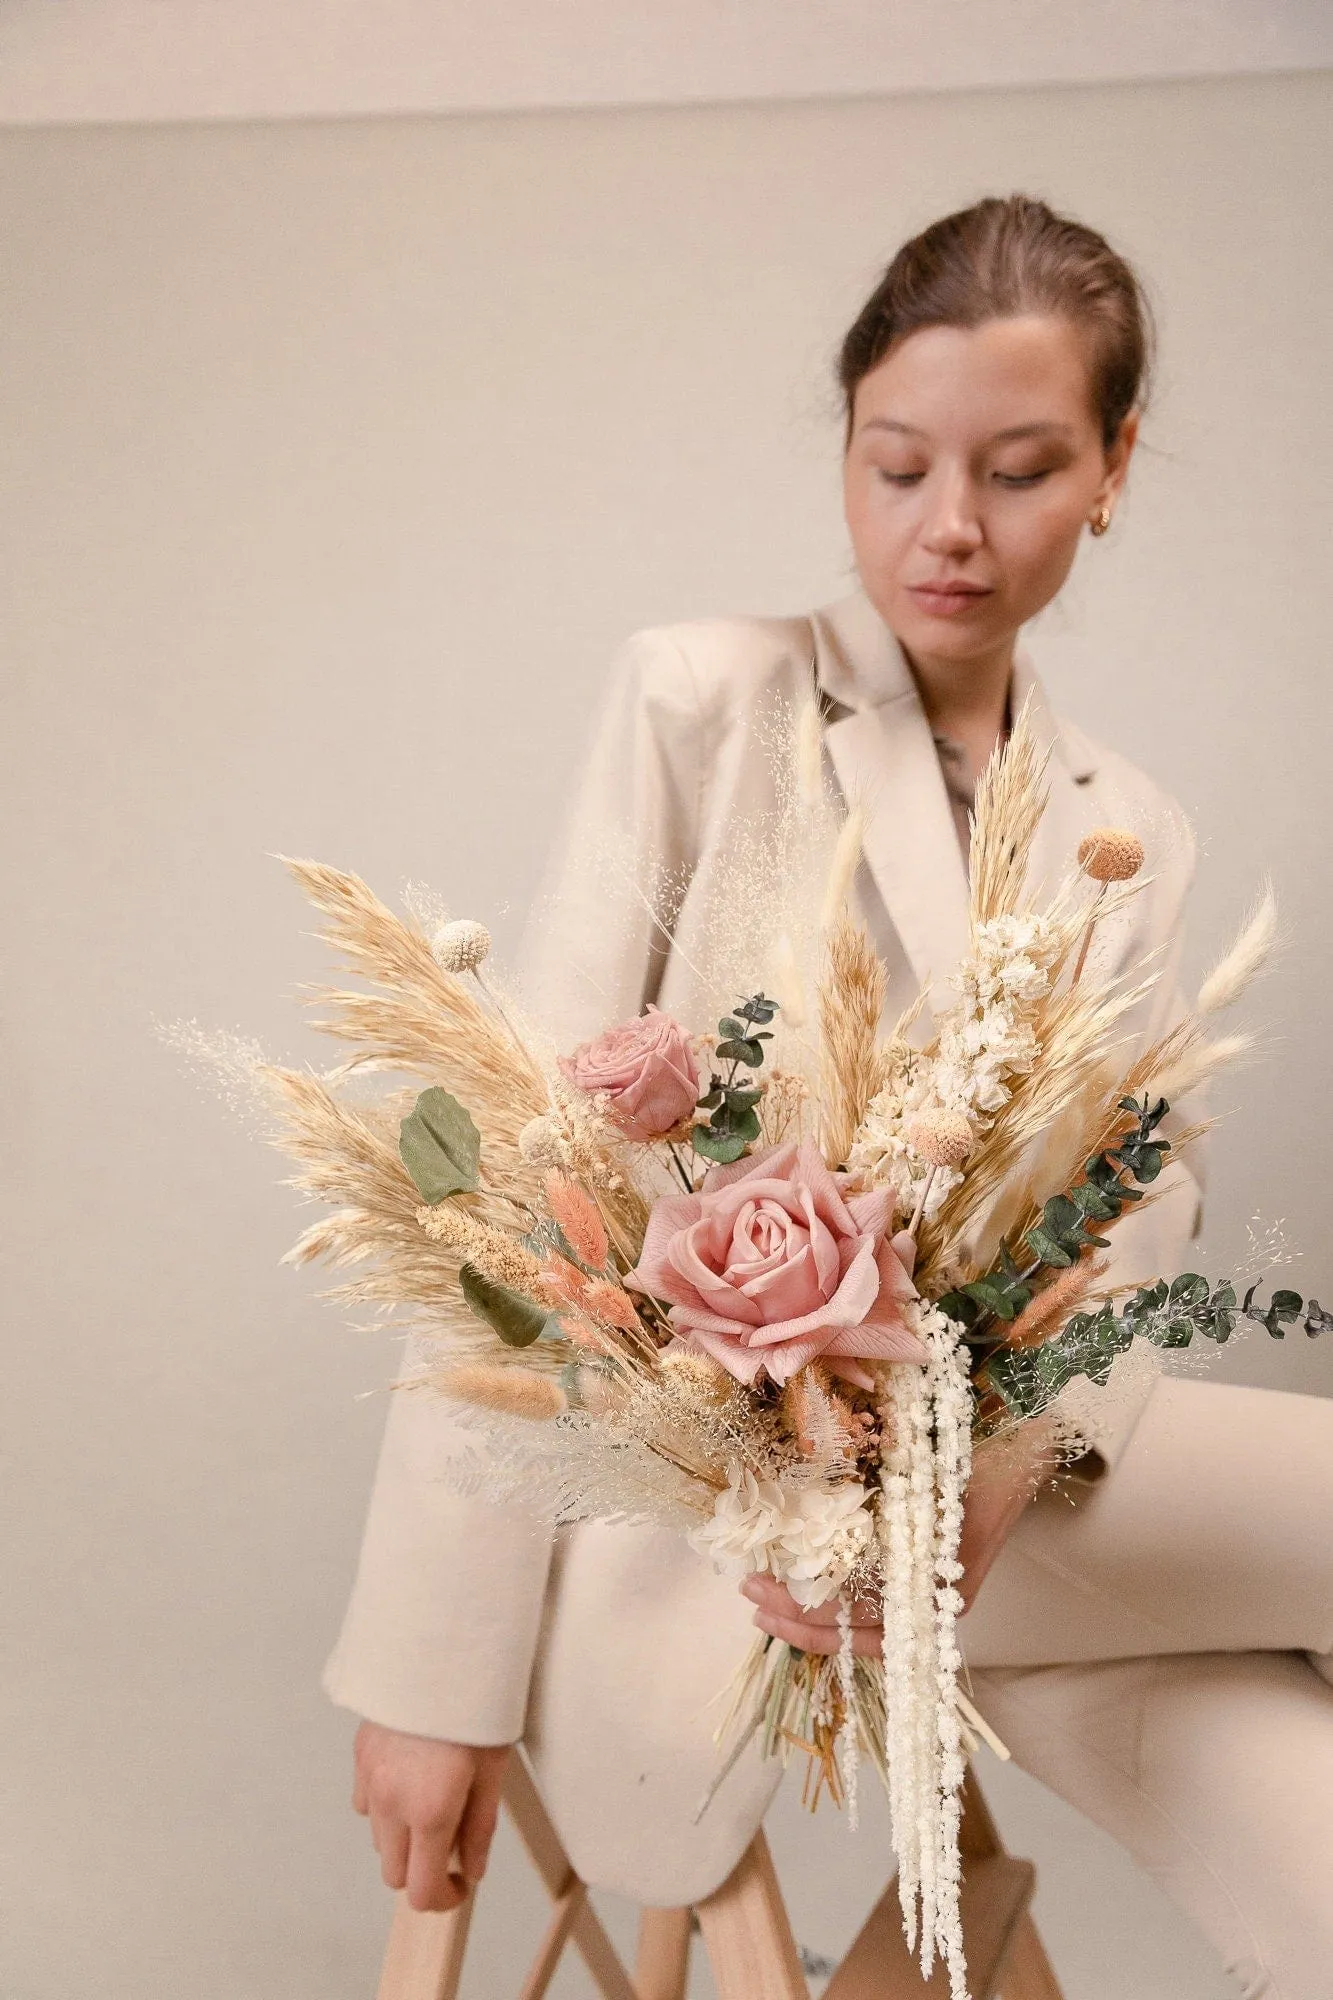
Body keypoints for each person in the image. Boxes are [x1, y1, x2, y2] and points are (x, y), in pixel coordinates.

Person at [330, 195, 1333, 1998]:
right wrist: (427, 1674)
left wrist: (1002, 1472)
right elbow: (515, 1192)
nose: (949, 527)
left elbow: (1138, 1222)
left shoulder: (1134, 825)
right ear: (850, 446)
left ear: (1112, 470)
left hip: (1023, 1524)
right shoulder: (704, 700)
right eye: (899, 464)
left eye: (1023, 470)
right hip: (740, 1550)